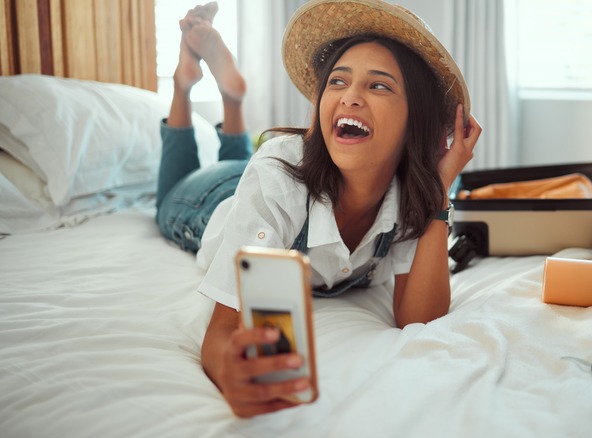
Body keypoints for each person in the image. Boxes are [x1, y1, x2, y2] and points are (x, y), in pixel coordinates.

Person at [156, 0, 482, 417]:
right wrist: (232, 373)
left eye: (378, 86)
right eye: (337, 82)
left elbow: (418, 316)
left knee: (247, 163)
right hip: (209, 202)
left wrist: (440, 189)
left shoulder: (410, 195)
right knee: (167, 197)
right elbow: (222, 332)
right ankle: (185, 88)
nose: (350, 97)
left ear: (414, 121)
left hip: (262, 175)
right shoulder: (278, 176)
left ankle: (232, 103)